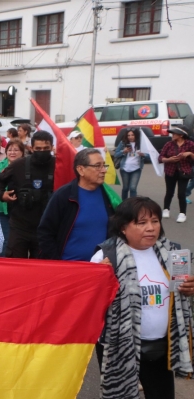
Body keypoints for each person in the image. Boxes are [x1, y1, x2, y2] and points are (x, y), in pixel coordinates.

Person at [91, 197, 194, 399]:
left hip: (160, 347)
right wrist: (99, 280)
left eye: (155, 221)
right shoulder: (106, 256)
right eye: (141, 223)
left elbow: (182, 295)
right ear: (123, 227)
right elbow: (89, 304)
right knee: (120, 394)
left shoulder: (172, 252)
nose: (151, 228)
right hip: (118, 346)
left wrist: (190, 288)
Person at [38, 148, 116, 260]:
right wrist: (57, 262)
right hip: (69, 268)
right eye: (97, 166)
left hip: (100, 268)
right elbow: (45, 232)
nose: (104, 170)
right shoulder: (63, 196)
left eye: (104, 165)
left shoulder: (109, 196)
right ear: (81, 170)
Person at [0, 131, 56, 258]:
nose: (42, 151)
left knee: (41, 269)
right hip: (20, 227)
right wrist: (2, 195)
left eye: (46, 149)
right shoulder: (19, 165)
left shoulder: (58, 166)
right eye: (38, 148)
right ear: (31, 148)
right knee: (14, 268)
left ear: (52, 148)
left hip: (46, 229)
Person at [158, 125, 194, 223]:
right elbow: (160, 157)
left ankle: (182, 213)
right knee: (169, 192)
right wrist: (169, 159)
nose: (172, 135)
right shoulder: (169, 144)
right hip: (170, 171)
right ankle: (166, 209)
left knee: (181, 193)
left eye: (174, 133)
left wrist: (190, 154)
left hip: (184, 172)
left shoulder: (190, 144)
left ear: (181, 135)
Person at [114, 128, 151, 201]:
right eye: (128, 135)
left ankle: (132, 204)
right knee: (125, 188)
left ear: (136, 135)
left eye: (132, 135)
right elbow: (116, 154)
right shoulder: (123, 143)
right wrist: (124, 151)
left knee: (133, 188)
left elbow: (150, 155)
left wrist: (143, 154)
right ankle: (124, 203)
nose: (130, 137)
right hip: (124, 168)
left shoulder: (141, 144)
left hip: (136, 169)